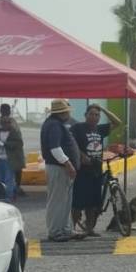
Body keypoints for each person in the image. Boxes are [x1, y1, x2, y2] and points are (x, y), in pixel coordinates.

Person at [71, 103, 123, 236]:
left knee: (93, 203)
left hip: (96, 170)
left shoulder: (100, 129)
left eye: (97, 115)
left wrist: (103, 109)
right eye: (91, 114)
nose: (94, 117)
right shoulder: (78, 128)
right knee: (78, 202)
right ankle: (72, 228)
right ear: (85, 115)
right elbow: (72, 144)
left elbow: (117, 122)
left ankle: (89, 229)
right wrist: (82, 155)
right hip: (82, 171)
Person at [40, 98, 84, 242]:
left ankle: (65, 229)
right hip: (58, 168)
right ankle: (55, 231)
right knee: (58, 201)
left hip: (60, 168)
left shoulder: (54, 124)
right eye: (67, 111)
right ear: (62, 113)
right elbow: (55, 148)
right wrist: (68, 163)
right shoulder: (54, 125)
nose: (69, 114)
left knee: (65, 202)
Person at [0, 106, 25, 202]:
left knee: (9, 179)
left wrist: (5, 144)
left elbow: (19, 143)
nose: (6, 124)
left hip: (10, 160)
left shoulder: (14, 132)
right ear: (1, 124)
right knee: (0, 179)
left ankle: (8, 197)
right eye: (4, 123)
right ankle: (1, 196)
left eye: (8, 123)